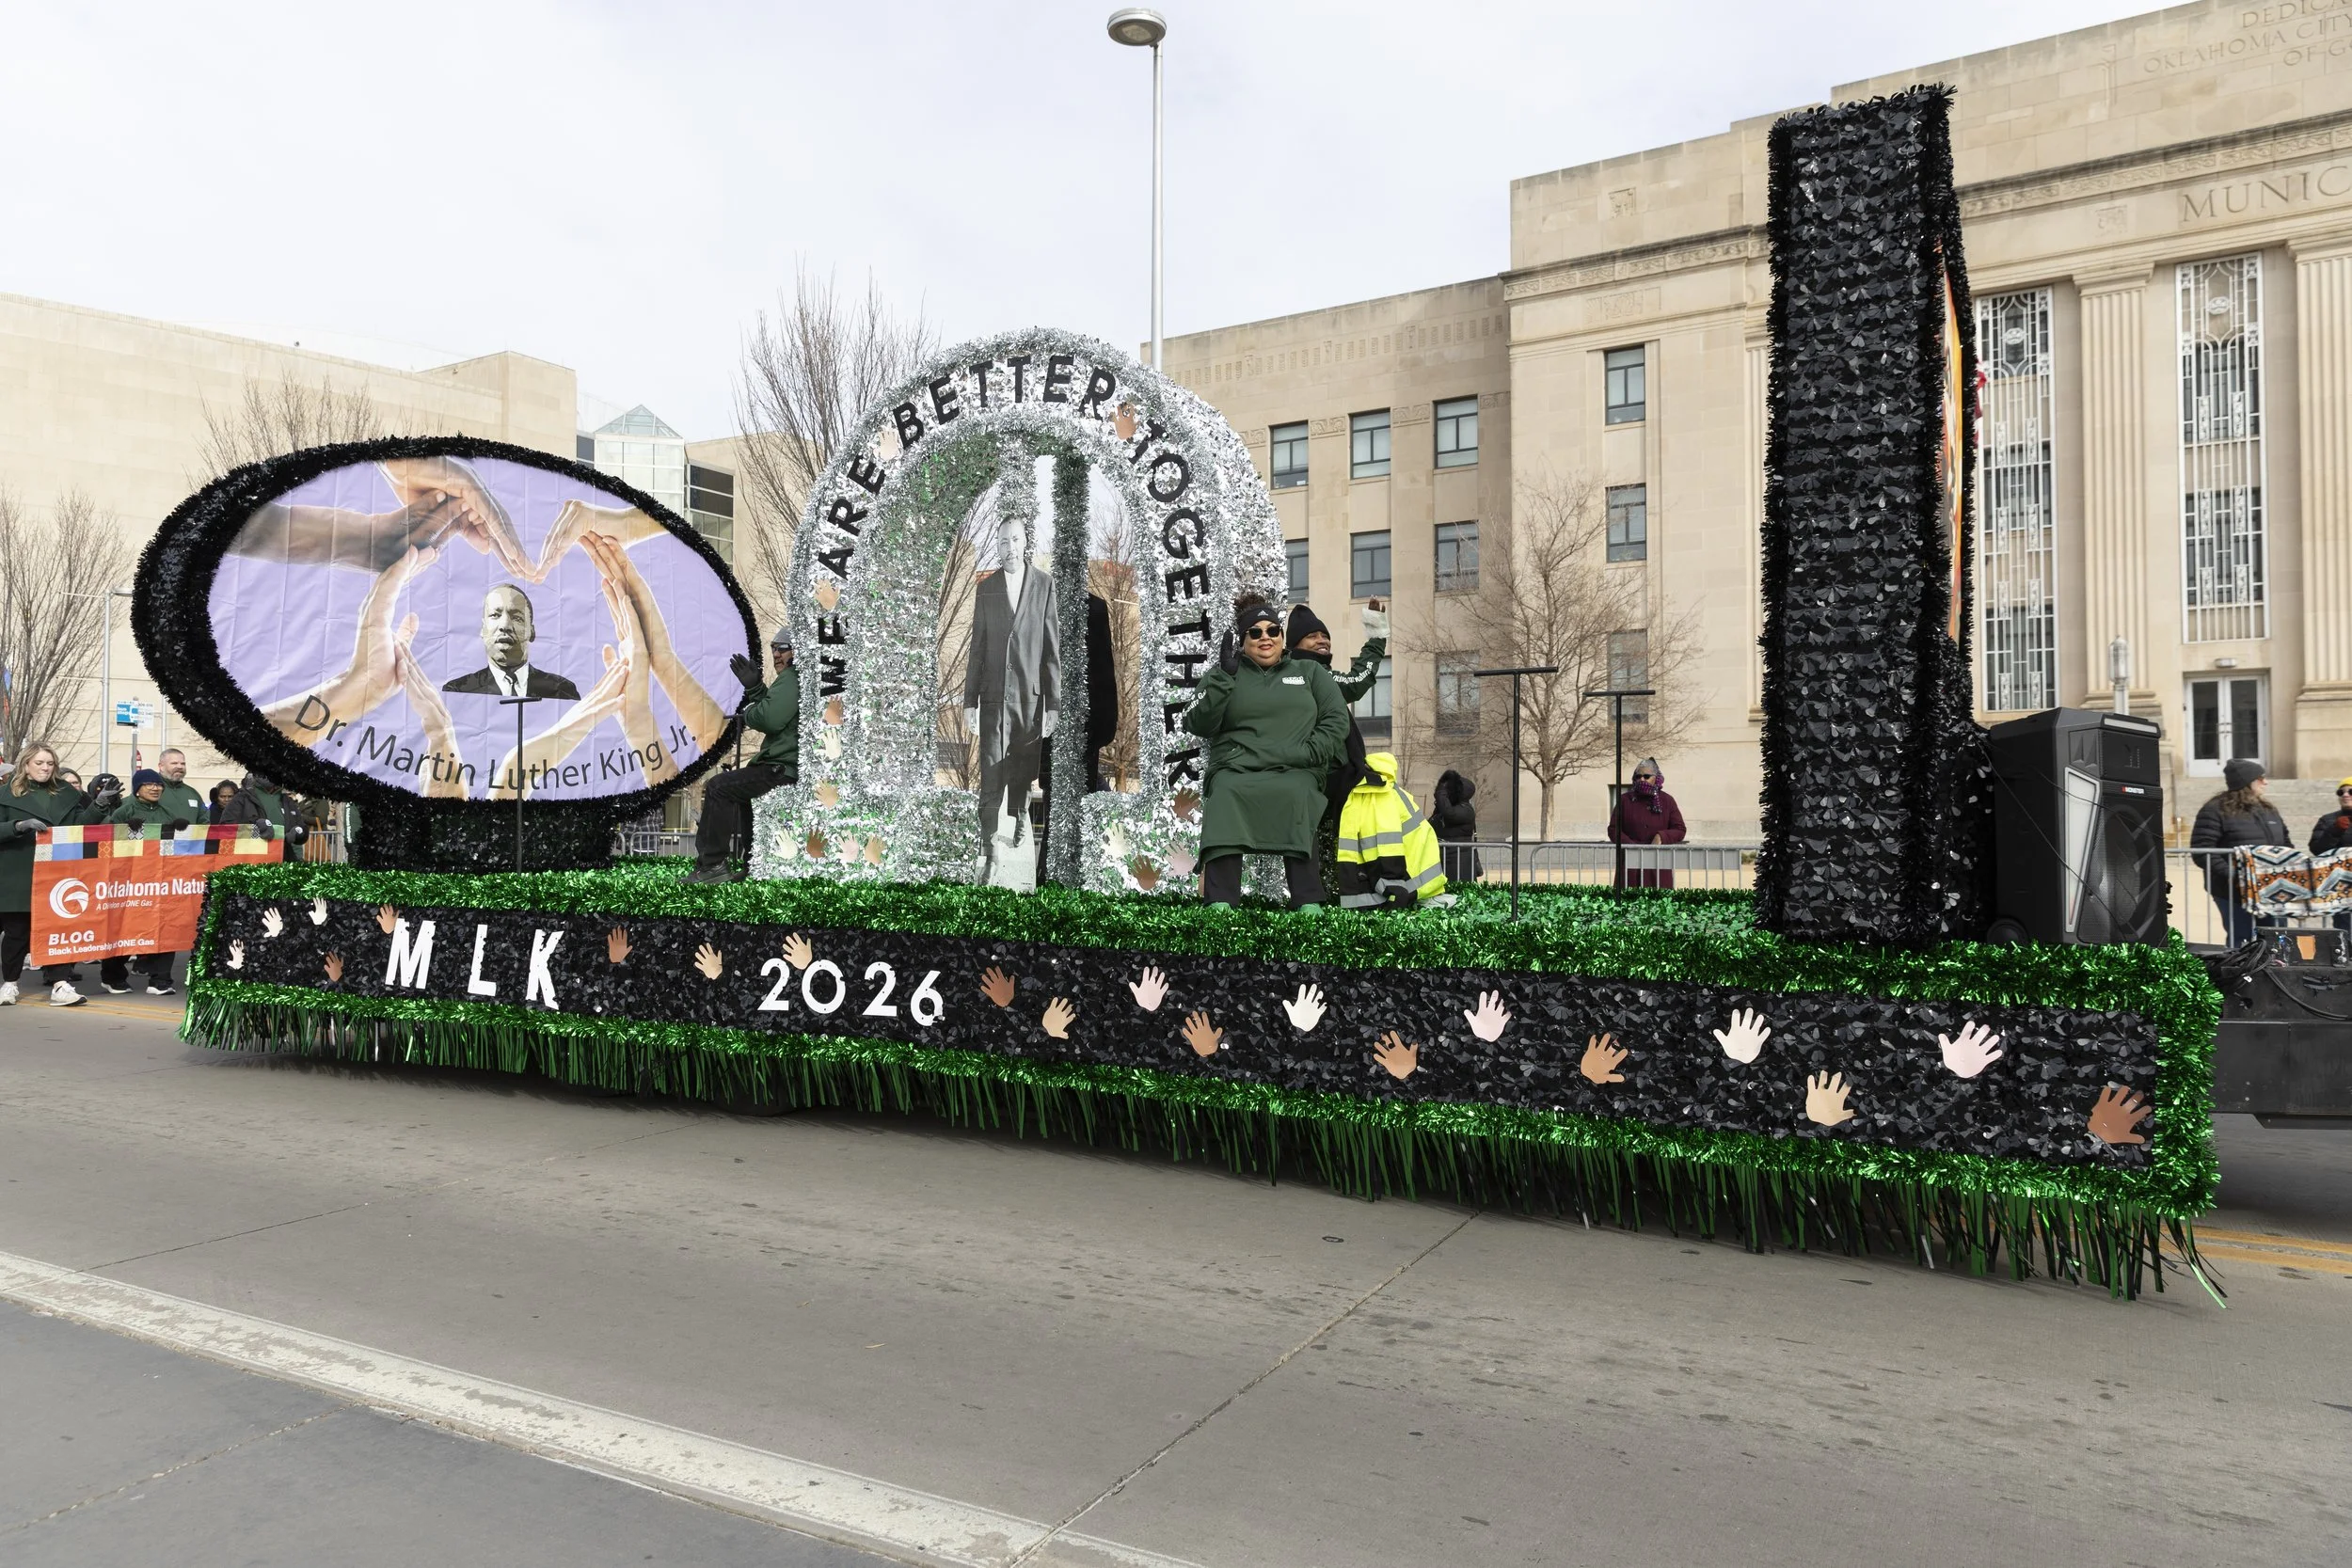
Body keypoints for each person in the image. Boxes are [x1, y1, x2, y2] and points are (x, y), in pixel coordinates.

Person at [1185, 597, 1351, 909]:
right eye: (1255, 632)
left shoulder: (1310, 673)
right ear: (1242, 639)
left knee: (1298, 791)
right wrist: (1223, 678)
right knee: (1224, 792)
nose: (1266, 638)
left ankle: (1308, 899)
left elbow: (1336, 719)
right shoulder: (1225, 673)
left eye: (1273, 630)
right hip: (1237, 771)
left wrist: (1309, 752)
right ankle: (1220, 899)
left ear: (1282, 636)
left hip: (1295, 769)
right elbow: (1197, 722)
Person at [0, 744, 112, 1006]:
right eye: (39, 763)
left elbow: (79, 826)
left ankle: (61, 984)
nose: (45, 768)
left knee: (59, 929)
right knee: (17, 933)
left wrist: (98, 804)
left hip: (57, 873)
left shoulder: (64, 793)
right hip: (19, 872)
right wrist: (18, 826)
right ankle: (10, 984)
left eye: (49, 763)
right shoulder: (5, 794)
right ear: (26, 764)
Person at [688, 632, 800, 884]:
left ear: (798, 650)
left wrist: (748, 712)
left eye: (783, 648)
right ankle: (754, 865)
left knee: (718, 788)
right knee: (744, 795)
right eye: (773, 648)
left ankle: (712, 865)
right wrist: (755, 689)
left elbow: (770, 719)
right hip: (783, 766)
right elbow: (775, 714)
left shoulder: (793, 678)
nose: (776, 654)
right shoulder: (793, 680)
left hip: (781, 767)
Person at [99, 770, 193, 995]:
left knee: (165, 928)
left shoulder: (167, 812)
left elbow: (180, 849)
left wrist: (183, 830)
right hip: (129, 882)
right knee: (123, 929)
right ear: (138, 788)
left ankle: (160, 980)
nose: (155, 788)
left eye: (158, 785)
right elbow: (106, 839)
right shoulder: (125, 810)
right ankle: (113, 977)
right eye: (149, 784)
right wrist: (123, 830)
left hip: (160, 881)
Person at [2190, 757, 2294, 947]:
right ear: (2247, 782)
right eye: (2261, 778)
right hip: (2232, 892)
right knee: (2242, 941)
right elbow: (2202, 851)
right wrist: (2234, 876)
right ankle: (2241, 975)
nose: (2266, 782)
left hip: (2270, 890)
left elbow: (2286, 843)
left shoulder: (2268, 809)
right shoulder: (2215, 809)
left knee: (2276, 941)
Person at [1334, 751, 1448, 909]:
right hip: (1423, 876)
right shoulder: (1393, 791)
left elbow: (1386, 844)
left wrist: (1393, 888)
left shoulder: (1377, 794)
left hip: (1410, 881)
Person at [441, 583, 581, 699]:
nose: (505, 625)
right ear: (483, 630)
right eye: (495, 615)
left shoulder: (561, 691)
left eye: (516, 618)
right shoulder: (458, 692)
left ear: (532, 631)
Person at [1607, 758, 1688, 889]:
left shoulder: (1667, 800)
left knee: (1659, 902)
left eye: (1646, 776)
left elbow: (1679, 829)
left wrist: (1661, 836)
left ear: (1656, 778)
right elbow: (1613, 829)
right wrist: (1631, 847)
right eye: (1638, 776)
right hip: (1630, 862)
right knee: (1627, 902)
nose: (1642, 780)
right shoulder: (1625, 800)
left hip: (1658, 862)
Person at [1431, 768, 1481, 885]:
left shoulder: (1466, 810)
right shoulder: (1442, 810)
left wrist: (1441, 793)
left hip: (1459, 862)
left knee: (1460, 895)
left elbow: (1450, 815)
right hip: (1443, 859)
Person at [155, 749, 206, 823]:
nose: (180, 767)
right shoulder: (150, 791)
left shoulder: (192, 793)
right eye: (174, 763)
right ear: (161, 766)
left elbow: (204, 821)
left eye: (183, 764)